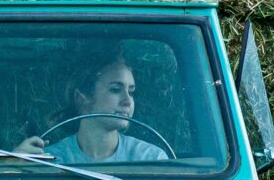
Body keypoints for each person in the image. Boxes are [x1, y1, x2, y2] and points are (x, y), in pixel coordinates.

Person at [20, 55, 170, 166]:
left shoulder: (151, 159)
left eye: (131, 92)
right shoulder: (49, 160)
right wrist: (14, 165)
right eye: (115, 90)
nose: (127, 101)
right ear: (82, 99)